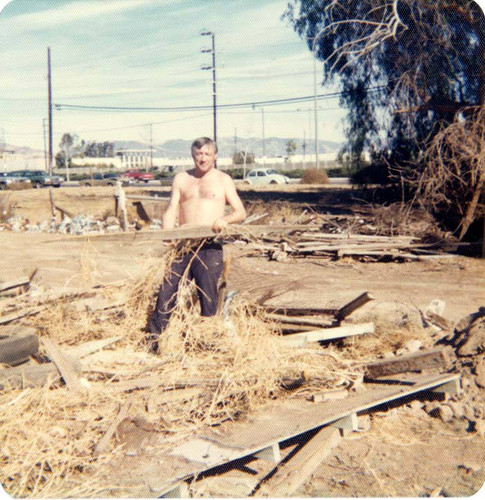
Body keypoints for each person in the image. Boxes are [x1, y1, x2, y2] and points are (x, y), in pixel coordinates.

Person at [146, 137, 246, 352]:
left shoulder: (223, 180)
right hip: (183, 244)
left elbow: (241, 212)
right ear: (193, 155)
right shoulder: (182, 178)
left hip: (209, 245)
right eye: (199, 154)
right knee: (167, 290)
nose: (203, 158)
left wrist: (225, 220)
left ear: (215, 156)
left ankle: (207, 344)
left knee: (207, 295)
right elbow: (172, 207)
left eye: (207, 154)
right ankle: (154, 342)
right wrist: (168, 231)